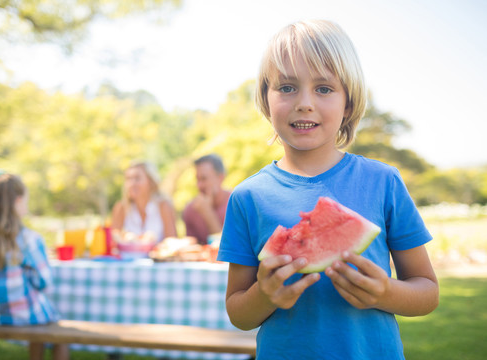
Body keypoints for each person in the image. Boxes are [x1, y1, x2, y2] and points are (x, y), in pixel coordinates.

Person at [217, 20, 439, 360]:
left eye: (323, 89)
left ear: (348, 103)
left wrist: (385, 293)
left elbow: (427, 291)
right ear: (265, 98)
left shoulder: (383, 182)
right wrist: (265, 295)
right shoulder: (247, 197)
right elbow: (238, 313)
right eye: (287, 87)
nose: (304, 103)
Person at [0, 171, 69, 360]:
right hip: (29, 316)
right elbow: (44, 282)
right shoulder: (29, 239)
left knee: (39, 317)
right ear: (18, 201)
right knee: (59, 334)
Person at [111, 161, 177, 242]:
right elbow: (113, 241)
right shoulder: (121, 208)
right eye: (128, 179)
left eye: (137, 178)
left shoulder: (163, 206)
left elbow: (172, 242)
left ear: (150, 181)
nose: (132, 184)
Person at [182, 154, 231, 244]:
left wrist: (207, 212)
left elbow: (227, 247)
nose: (199, 185)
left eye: (204, 179)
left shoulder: (236, 205)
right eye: (197, 179)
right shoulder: (191, 210)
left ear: (220, 178)